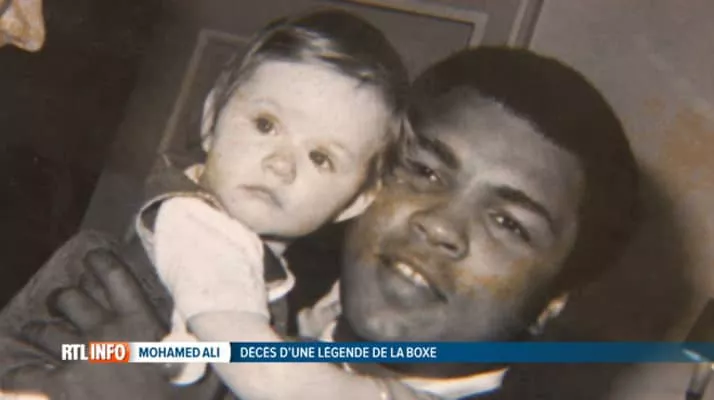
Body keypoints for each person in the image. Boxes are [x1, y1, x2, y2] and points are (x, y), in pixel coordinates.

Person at [139, 47, 640, 399]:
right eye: (424, 171)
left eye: (508, 223)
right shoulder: (240, 290)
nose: (440, 225)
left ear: (551, 304)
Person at [0, 8, 407, 399]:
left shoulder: (243, 266)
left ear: (356, 201)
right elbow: (263, 377)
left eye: (320, 157)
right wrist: (383, 394)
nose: (281, 164)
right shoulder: (201, 231)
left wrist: (306, 339)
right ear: (211, 119)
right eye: (265, 125)